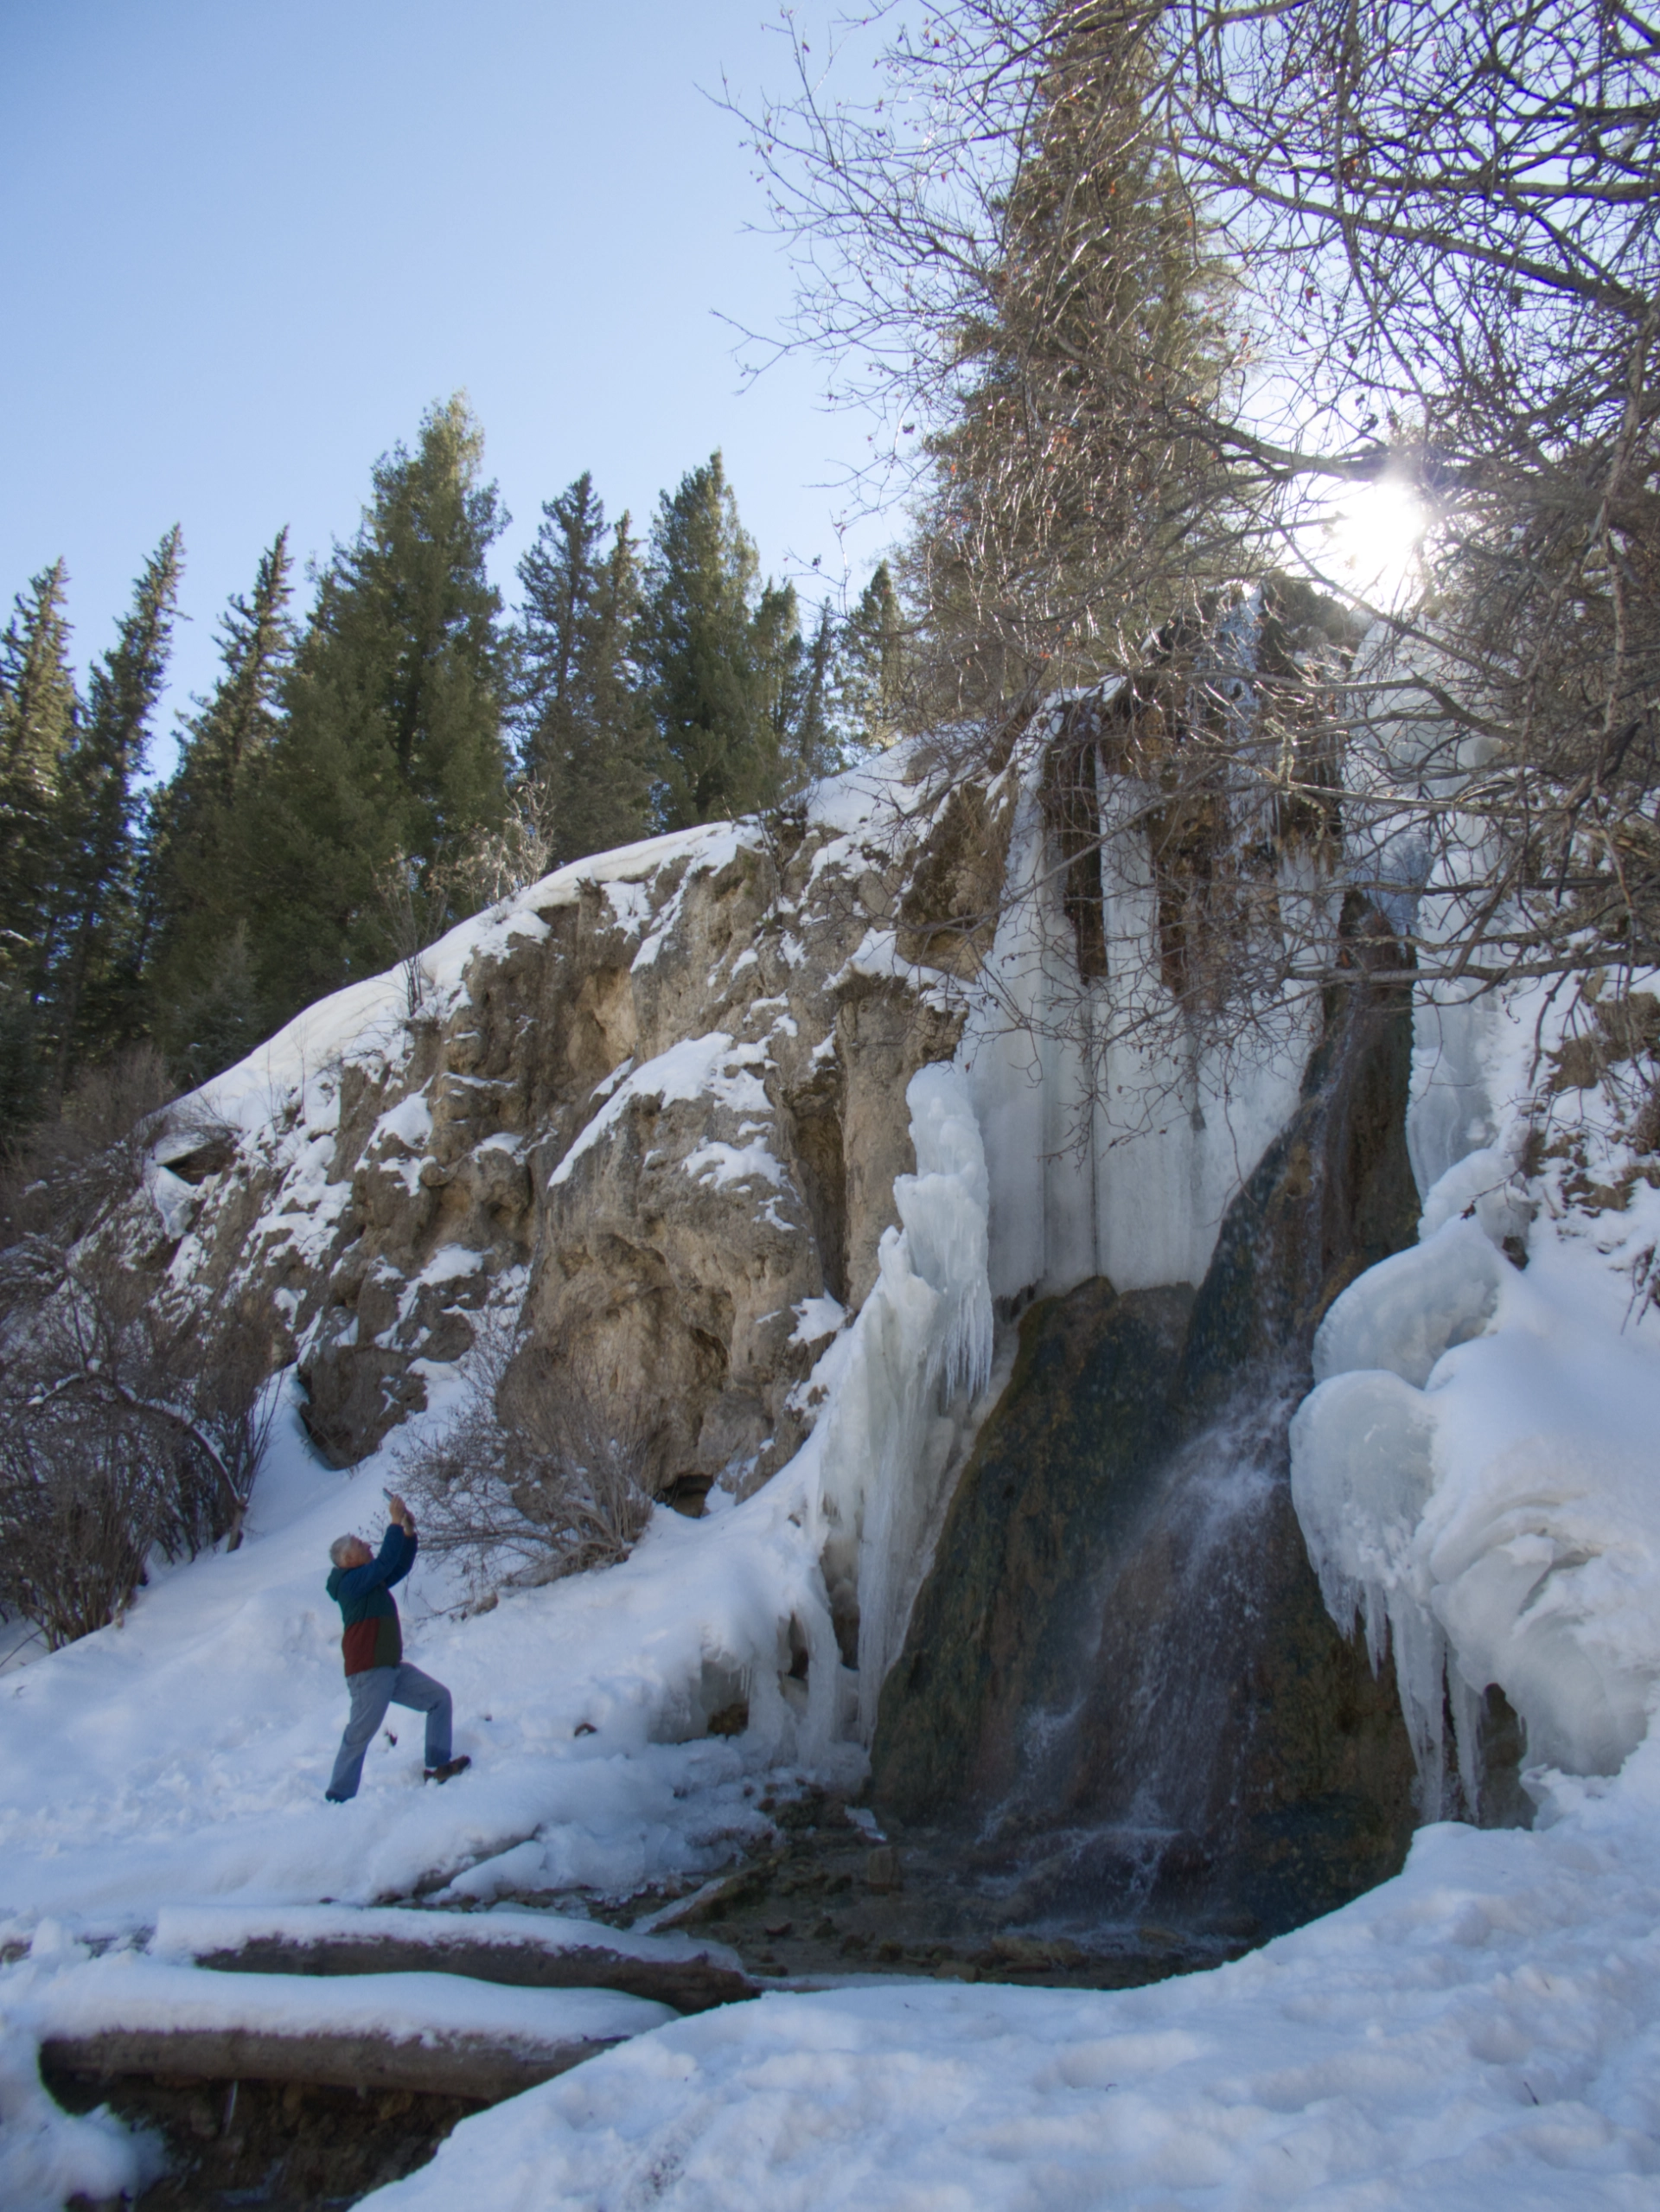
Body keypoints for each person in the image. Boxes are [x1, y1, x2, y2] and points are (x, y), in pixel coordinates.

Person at [323, 1492, 469, 1801]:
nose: (368, 1546)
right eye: (361, 1546)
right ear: (349, 1560)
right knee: (359, 1735)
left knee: (438, 1699)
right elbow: (386, 1561)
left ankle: (438, 1765)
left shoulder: (368, 1581)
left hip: (390, 1668)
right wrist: (392, 1522)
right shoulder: (350, 1584)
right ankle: (338, 1797)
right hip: (369, 1672)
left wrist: (407, 1533)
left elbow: (396, 1566)